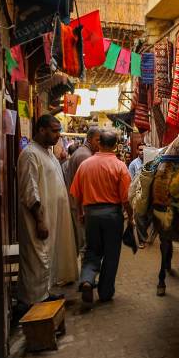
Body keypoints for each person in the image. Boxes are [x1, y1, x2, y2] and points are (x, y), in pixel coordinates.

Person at [16, 114, 78, 307]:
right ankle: (33, 303)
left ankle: (43, 296)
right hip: (38, 218)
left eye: (59, 131)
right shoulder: (30, 154)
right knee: (38, 259)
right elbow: (30, 189)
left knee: (46, 256)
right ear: (41, 130)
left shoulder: (48, 153)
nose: (58, 135)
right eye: (54, 130)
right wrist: (40, 220)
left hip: (51, 216)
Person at [70, 129, 132, 309]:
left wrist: (81, 213)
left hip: (91, 215)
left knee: (92, 251)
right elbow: (126, 199)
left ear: (100, 143)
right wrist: (132, 217)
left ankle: (88, 280)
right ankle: (105, 292)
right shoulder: (120, 167)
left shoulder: (85, 165)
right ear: (115, 145)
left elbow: (75, 194)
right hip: (113, 215)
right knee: (111, 254)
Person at [65, 127, 101, 254]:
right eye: (97, 140)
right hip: (81, 207)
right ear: (90, 139)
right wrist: (84, 211)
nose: (100, 143)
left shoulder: (83, 153)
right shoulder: (85, 156)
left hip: (79, 205)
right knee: (85, 245)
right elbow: (86, 187)